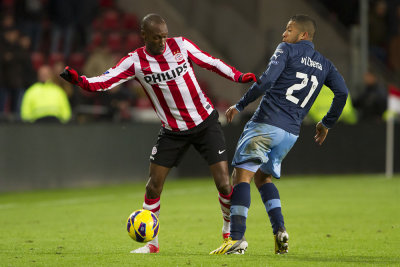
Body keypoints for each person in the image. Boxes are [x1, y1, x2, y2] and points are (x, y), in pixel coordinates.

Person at [59, 13, 257, 253]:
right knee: (153, 186)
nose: (163, 41)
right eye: (157, 37)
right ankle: (152, 244)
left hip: (205, 122)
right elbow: (106, 80)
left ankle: (228, 235)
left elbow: (211, 62)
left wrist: (238, 76)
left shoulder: (181, 45)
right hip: (173, 131)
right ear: (144, 36)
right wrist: (81, 81)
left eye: (164, 36)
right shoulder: (135, 61)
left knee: (225, 184)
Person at [210, 14, 348, 255]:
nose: (284, 34)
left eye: (289, 29)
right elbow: (343, 93)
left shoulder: (286, 50)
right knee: (263, 179)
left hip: (265, 124)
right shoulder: (325, 64)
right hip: (290, 133)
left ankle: (236, 239)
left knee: (241, 176)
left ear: (303, 35)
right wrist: (326, 124)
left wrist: (240, 105)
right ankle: (279, 231)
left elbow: (266, 82)